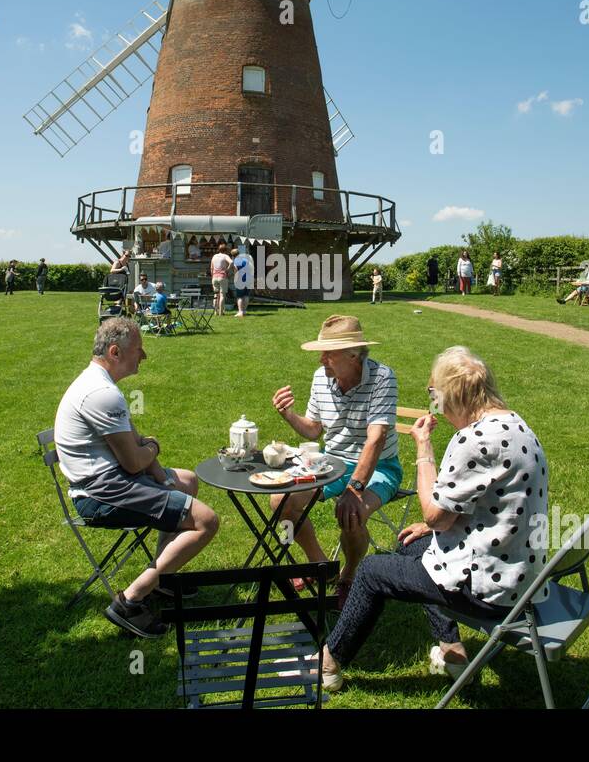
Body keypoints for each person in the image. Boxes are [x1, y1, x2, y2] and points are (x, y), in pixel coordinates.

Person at [318, 346, 550, 691]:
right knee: (411, 544)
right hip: (524, 574)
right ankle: (452, 650)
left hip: (492, 588)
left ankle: (329, 662)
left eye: (433, 396)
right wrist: (430, 526)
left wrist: (424, 449)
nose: (433, 405)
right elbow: (481, 503)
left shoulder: (473, 440)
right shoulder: (516, 424)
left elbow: (435, 514)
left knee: (370, 571)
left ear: (452, 394)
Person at [54, 317, 220, 637]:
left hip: (107, 479)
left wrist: (161, 475)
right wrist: (154, 449)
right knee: (207, 521)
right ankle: (131, 600)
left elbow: (135, 441)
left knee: (187, 481)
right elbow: (134, 461)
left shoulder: (101, 384)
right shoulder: (103, 394)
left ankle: (164, 579)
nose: (143, 356)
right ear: (115, 352)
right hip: (101, 493)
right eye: (139, 350)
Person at [269, 315, 402, 608]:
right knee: (280, 499)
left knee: (350, 512)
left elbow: (376, 440)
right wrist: (288, 414)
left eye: (328, 354)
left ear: (354, 354)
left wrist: (354, 489)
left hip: (380, 466)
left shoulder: (382, 377)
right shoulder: (322, 378)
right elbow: (314, 430)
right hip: (331, 463)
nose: (321, 360)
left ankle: (349, 575)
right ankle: (318, 564)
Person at [210, 243, 232, 317]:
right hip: (222, 276)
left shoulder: (214, 256)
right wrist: (227, 270)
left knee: (216, 295)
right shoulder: (225, 256)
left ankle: (215, 312)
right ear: (225, 250)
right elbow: (231, 262)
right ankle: (221, 312)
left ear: (218, 249)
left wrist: (212, 276)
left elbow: (211, 268)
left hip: (214, 277)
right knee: (222, 295)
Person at [231, 245, 252, 317]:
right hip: (248, 279)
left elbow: (236, 271)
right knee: (246, 295)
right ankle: (245, 311)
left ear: (233, 255)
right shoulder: (246, 260)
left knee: (239, 296)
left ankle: (240, 312)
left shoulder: (235, 261)